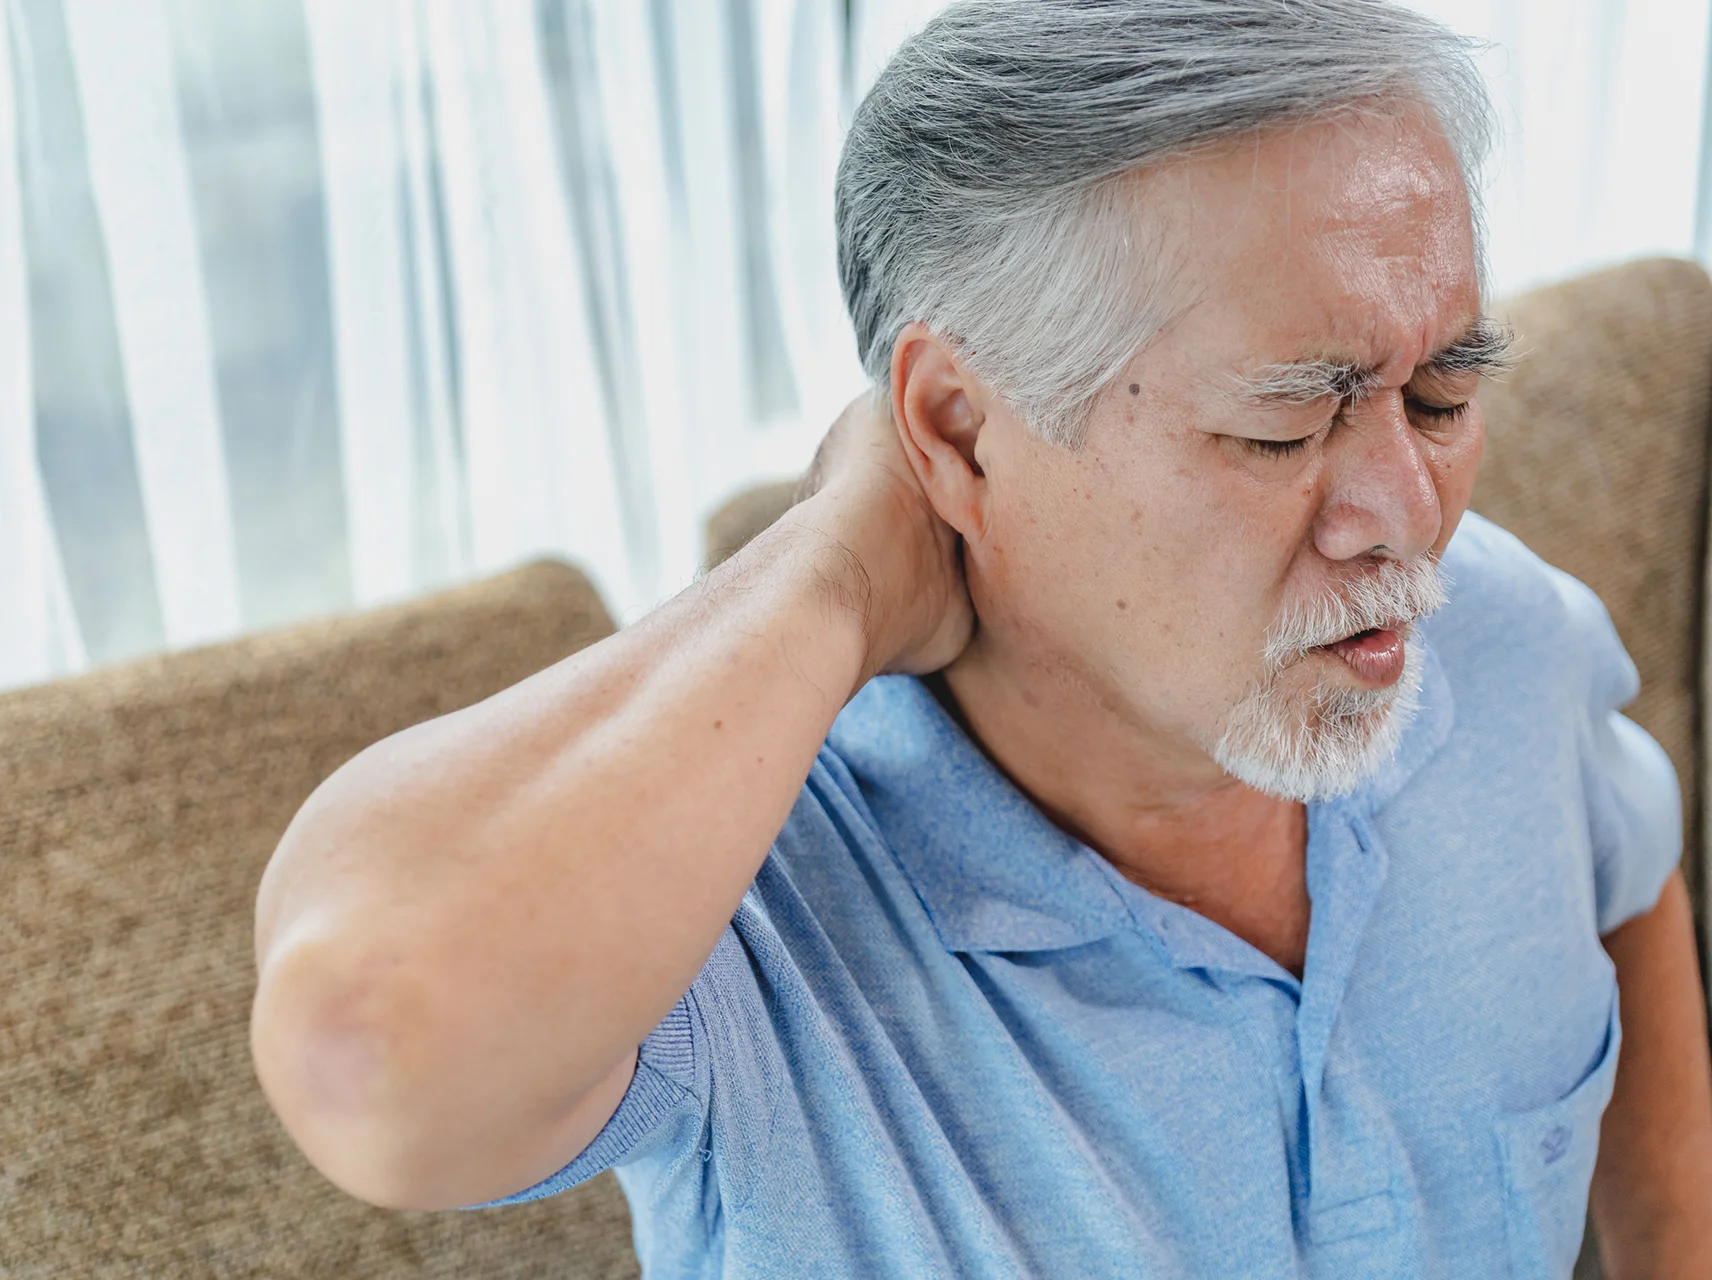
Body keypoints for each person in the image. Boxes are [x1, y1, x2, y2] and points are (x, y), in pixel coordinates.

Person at [249, 1, 1712, 1275]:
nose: (1408, 513)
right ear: (956, 429)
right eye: (1286, 425)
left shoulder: (1500, 632)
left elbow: (1620, 864)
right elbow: (370, 1042)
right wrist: (838, 561)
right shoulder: (747, 899)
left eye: (1442, 399)